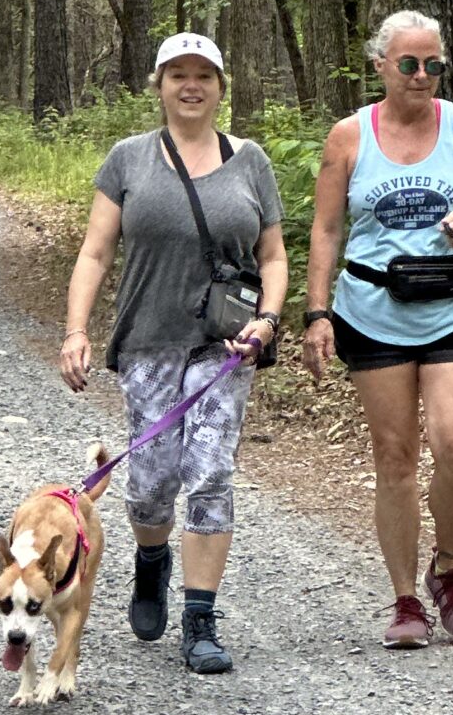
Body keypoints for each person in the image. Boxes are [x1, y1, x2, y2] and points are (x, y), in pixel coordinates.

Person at [59, 33, 288, 674]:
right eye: (178, 75)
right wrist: (76, 330)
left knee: (211, 472)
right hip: (147, 341)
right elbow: (95, 252)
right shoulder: (129, 159)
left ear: (221, 87)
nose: (192, 86)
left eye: (204, 76)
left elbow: (272, 257)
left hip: (226, 344)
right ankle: (151, 561)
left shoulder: (250, 162)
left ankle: (200, 619)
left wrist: (268, 321)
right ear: (158, 85)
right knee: (152, 483)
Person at [302, 9, 453, 649]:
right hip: (373, 312)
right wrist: (316, 314)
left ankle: (447, 569)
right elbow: (327, 230)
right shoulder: (348, 136)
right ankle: (404, 601)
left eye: (433, 65)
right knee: (394, 458)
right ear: (381, 67)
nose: (422, 76)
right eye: (408, 64)